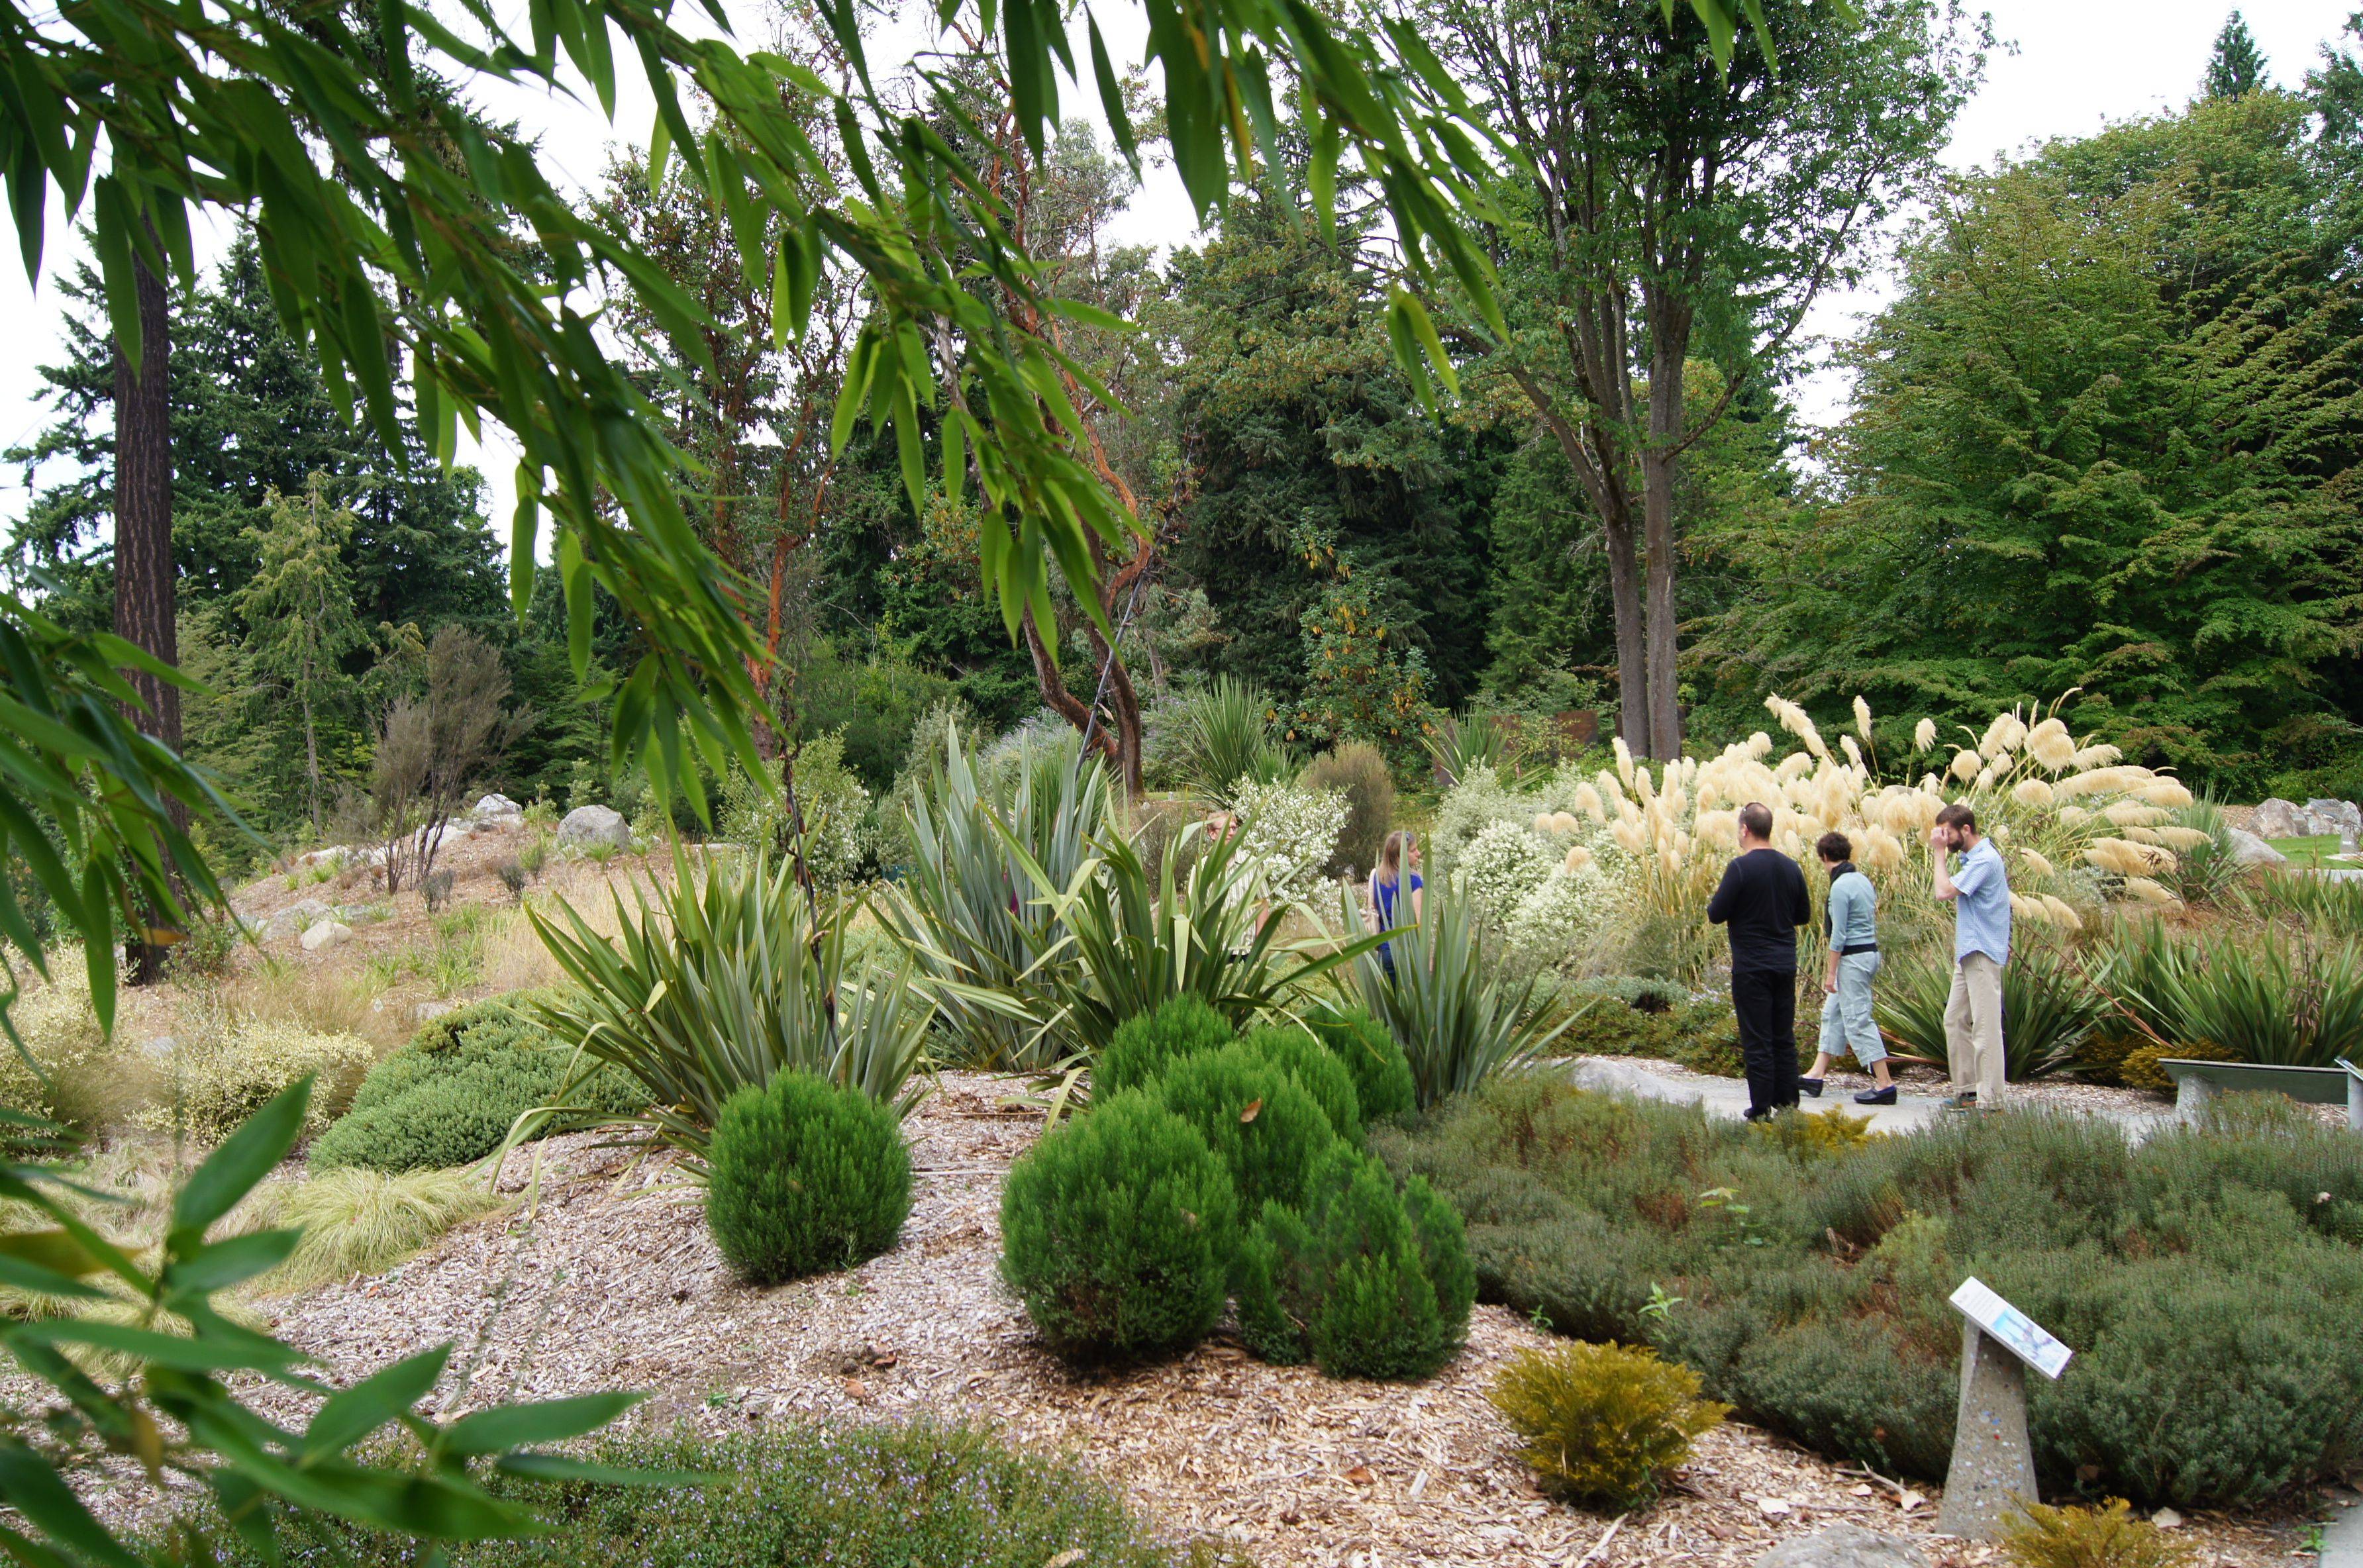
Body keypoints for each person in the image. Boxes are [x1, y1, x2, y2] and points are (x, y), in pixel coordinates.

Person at [1705, 801, 1811, 1119]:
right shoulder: (1792, 867)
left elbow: (1715, 914)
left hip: (1752, 966)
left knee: (1757, 1038)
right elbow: (1803, 915)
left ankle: (1762, 1107)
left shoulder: (1740, 868)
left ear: (1745, 829)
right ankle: (1789, 1105)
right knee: (1783, 1035)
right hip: (1784, 963)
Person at [1800, 831, 1895, 1106]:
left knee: (1858, 1018)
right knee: (1833, 1013)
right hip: (1869, 954)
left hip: (1852, 960)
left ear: (1826, 857)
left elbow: (1838, 935)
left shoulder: (1840, 887)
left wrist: (1831, 973)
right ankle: (1816, 1075)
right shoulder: (1862, 880)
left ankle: (1885, 1084)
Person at [1929, 801, 2010, 1111]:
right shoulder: (1971, 858)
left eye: (1947, 833)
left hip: (1982, 952)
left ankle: (1991, 1101)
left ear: (1966, 829)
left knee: (1985, 1027)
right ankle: (1968, 1091)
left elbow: (1943, 892)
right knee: (1954, 1019)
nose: (1944, 839)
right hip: (1968, 954)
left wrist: (1937, 853)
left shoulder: (1985, 860)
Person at [1370, 829, 1424, 981]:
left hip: (1384, 953)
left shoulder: (1377, 877)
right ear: (1399, 855)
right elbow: (1417, 923)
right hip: (1406, 953)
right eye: (1413, 850)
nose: (1418, 854)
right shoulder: (1413, 881)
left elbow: (1374, 910)